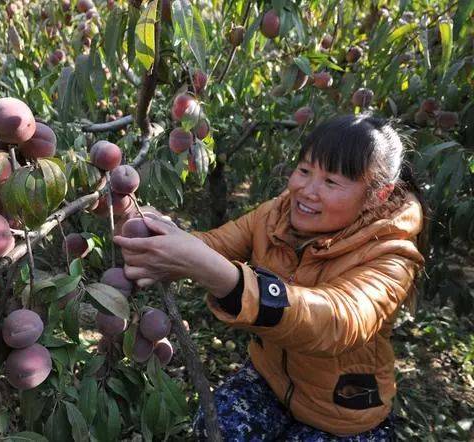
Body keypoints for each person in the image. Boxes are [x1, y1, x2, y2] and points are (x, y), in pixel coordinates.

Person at [113, 114, 427, 441]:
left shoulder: (392, 254)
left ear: (378, 194)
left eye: (331, 182)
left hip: (341, 413)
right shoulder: (275, 215)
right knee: (215, 428)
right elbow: (212, 246)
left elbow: (338, 321)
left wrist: (228, 279)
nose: (306, 190)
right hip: (271, 379)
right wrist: (148, 226)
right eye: (304, 171)